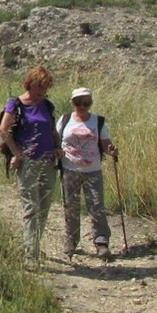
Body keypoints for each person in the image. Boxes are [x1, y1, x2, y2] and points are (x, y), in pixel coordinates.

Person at [0, 65, 60, 265]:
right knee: (31, 207)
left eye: (45, 87)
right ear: (30, 83)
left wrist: (58, 148)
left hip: (48, 160)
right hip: (29, 162)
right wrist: (17, 154)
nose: (42, 91)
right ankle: (30, 255)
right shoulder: (16, 104)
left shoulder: (47, 105)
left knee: (44, 206)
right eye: (39, 86)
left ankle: (33, 245)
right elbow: (3, 130)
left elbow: (52, 131)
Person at [58, 87, 119, 261]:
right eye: (78, 103)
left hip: (93, 170)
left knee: (97, 206)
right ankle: (71, 240)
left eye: (86, 103)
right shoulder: (65, 120)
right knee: (71, 206)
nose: (82, 106)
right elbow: (57, 139)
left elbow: (106, 143)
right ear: (72, 103)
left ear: (91, 103)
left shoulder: (98, 122)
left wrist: (112, 151)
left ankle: (101, 242)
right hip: (69, 169)